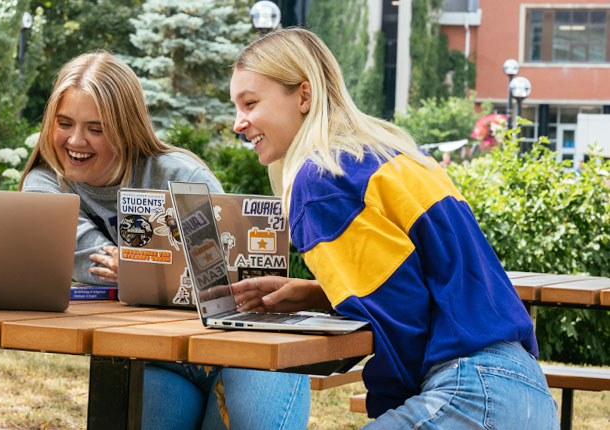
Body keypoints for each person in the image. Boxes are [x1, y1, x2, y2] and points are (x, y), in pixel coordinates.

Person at [228, 28, 559, 429]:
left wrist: (387, 409)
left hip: (470, 394)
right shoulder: (392, 153)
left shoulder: (320, 181)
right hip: (524, 392)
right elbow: (420, 283)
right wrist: (321, 296)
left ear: (304, 95)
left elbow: (402, 324)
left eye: (250, 103)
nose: (237, 123)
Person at [20, 52, 310, 430]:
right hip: (152, 358)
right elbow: (88, 260)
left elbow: (223, 273)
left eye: (96, 128)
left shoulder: (181, 175)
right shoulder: (45, 184)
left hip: (237, 349)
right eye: (65, 123)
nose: (76, 140)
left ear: (125, 127)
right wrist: (164, 267)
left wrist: (139, 268)